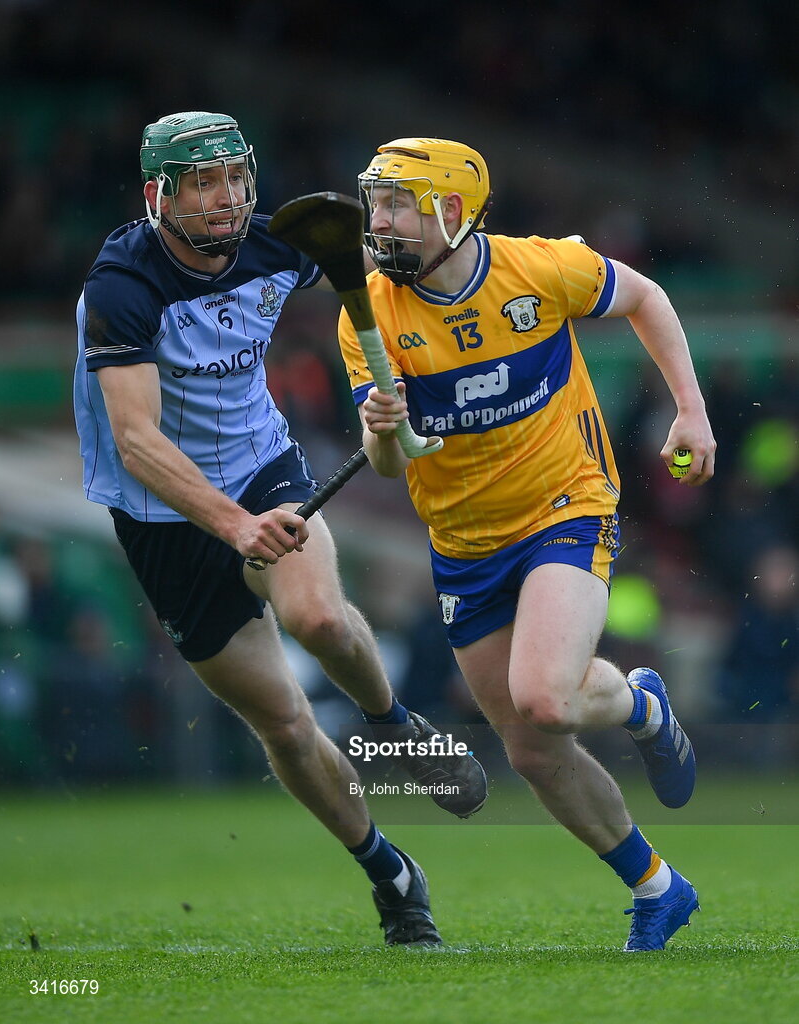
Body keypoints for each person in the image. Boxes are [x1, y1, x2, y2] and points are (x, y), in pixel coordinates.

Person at [73, 112, 488, 946]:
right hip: (164, 513)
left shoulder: (280, 244)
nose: (225, 200)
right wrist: (232, 526)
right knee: (286, 724)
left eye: (233, 177)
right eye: (201, 183)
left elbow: (397, 268)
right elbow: (138, 442)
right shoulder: (122, 287)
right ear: (159, 194)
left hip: (264, 464)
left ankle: (392, 723)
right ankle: (390, 872)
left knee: (320, 618)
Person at [338, 137, 717, 952]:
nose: (378, 221)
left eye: (396, 204)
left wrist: (690, 407)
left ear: (450, 211)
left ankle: (642, 706)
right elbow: (388, 461)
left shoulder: (539, 269)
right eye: (375, 202)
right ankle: (658, 886)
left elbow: (646, 297)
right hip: (463, 544)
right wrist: (381, 431)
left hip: (565, 503)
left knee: (546, 698)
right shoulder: (365, 311)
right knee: (533, 749)